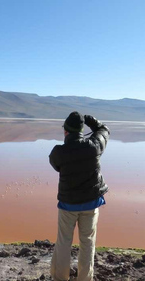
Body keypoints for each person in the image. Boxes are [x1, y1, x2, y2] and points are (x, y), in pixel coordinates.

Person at [49, 112, 110, 281]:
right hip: (90, 205)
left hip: (68, 206)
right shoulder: (93, 146)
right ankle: (85, 278)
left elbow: (55, 164)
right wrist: (93, 122)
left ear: (66, 132)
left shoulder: (59, 152)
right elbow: (104, 131)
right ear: (81, 130)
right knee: (88, 243)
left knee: (63, 243)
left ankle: (60, 278)